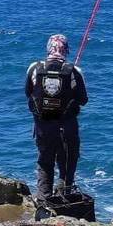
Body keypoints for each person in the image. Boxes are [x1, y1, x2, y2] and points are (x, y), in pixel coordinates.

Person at [25, 34, 88, 201]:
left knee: (45, 163)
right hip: (67, 127)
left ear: (48, 48)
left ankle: (43, 201)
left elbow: (28, 93)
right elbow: (83, 100)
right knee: (67, 164)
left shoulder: (34, 68)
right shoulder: (74, 71)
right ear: (65, 50)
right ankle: (63, 199)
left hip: (42, 127)